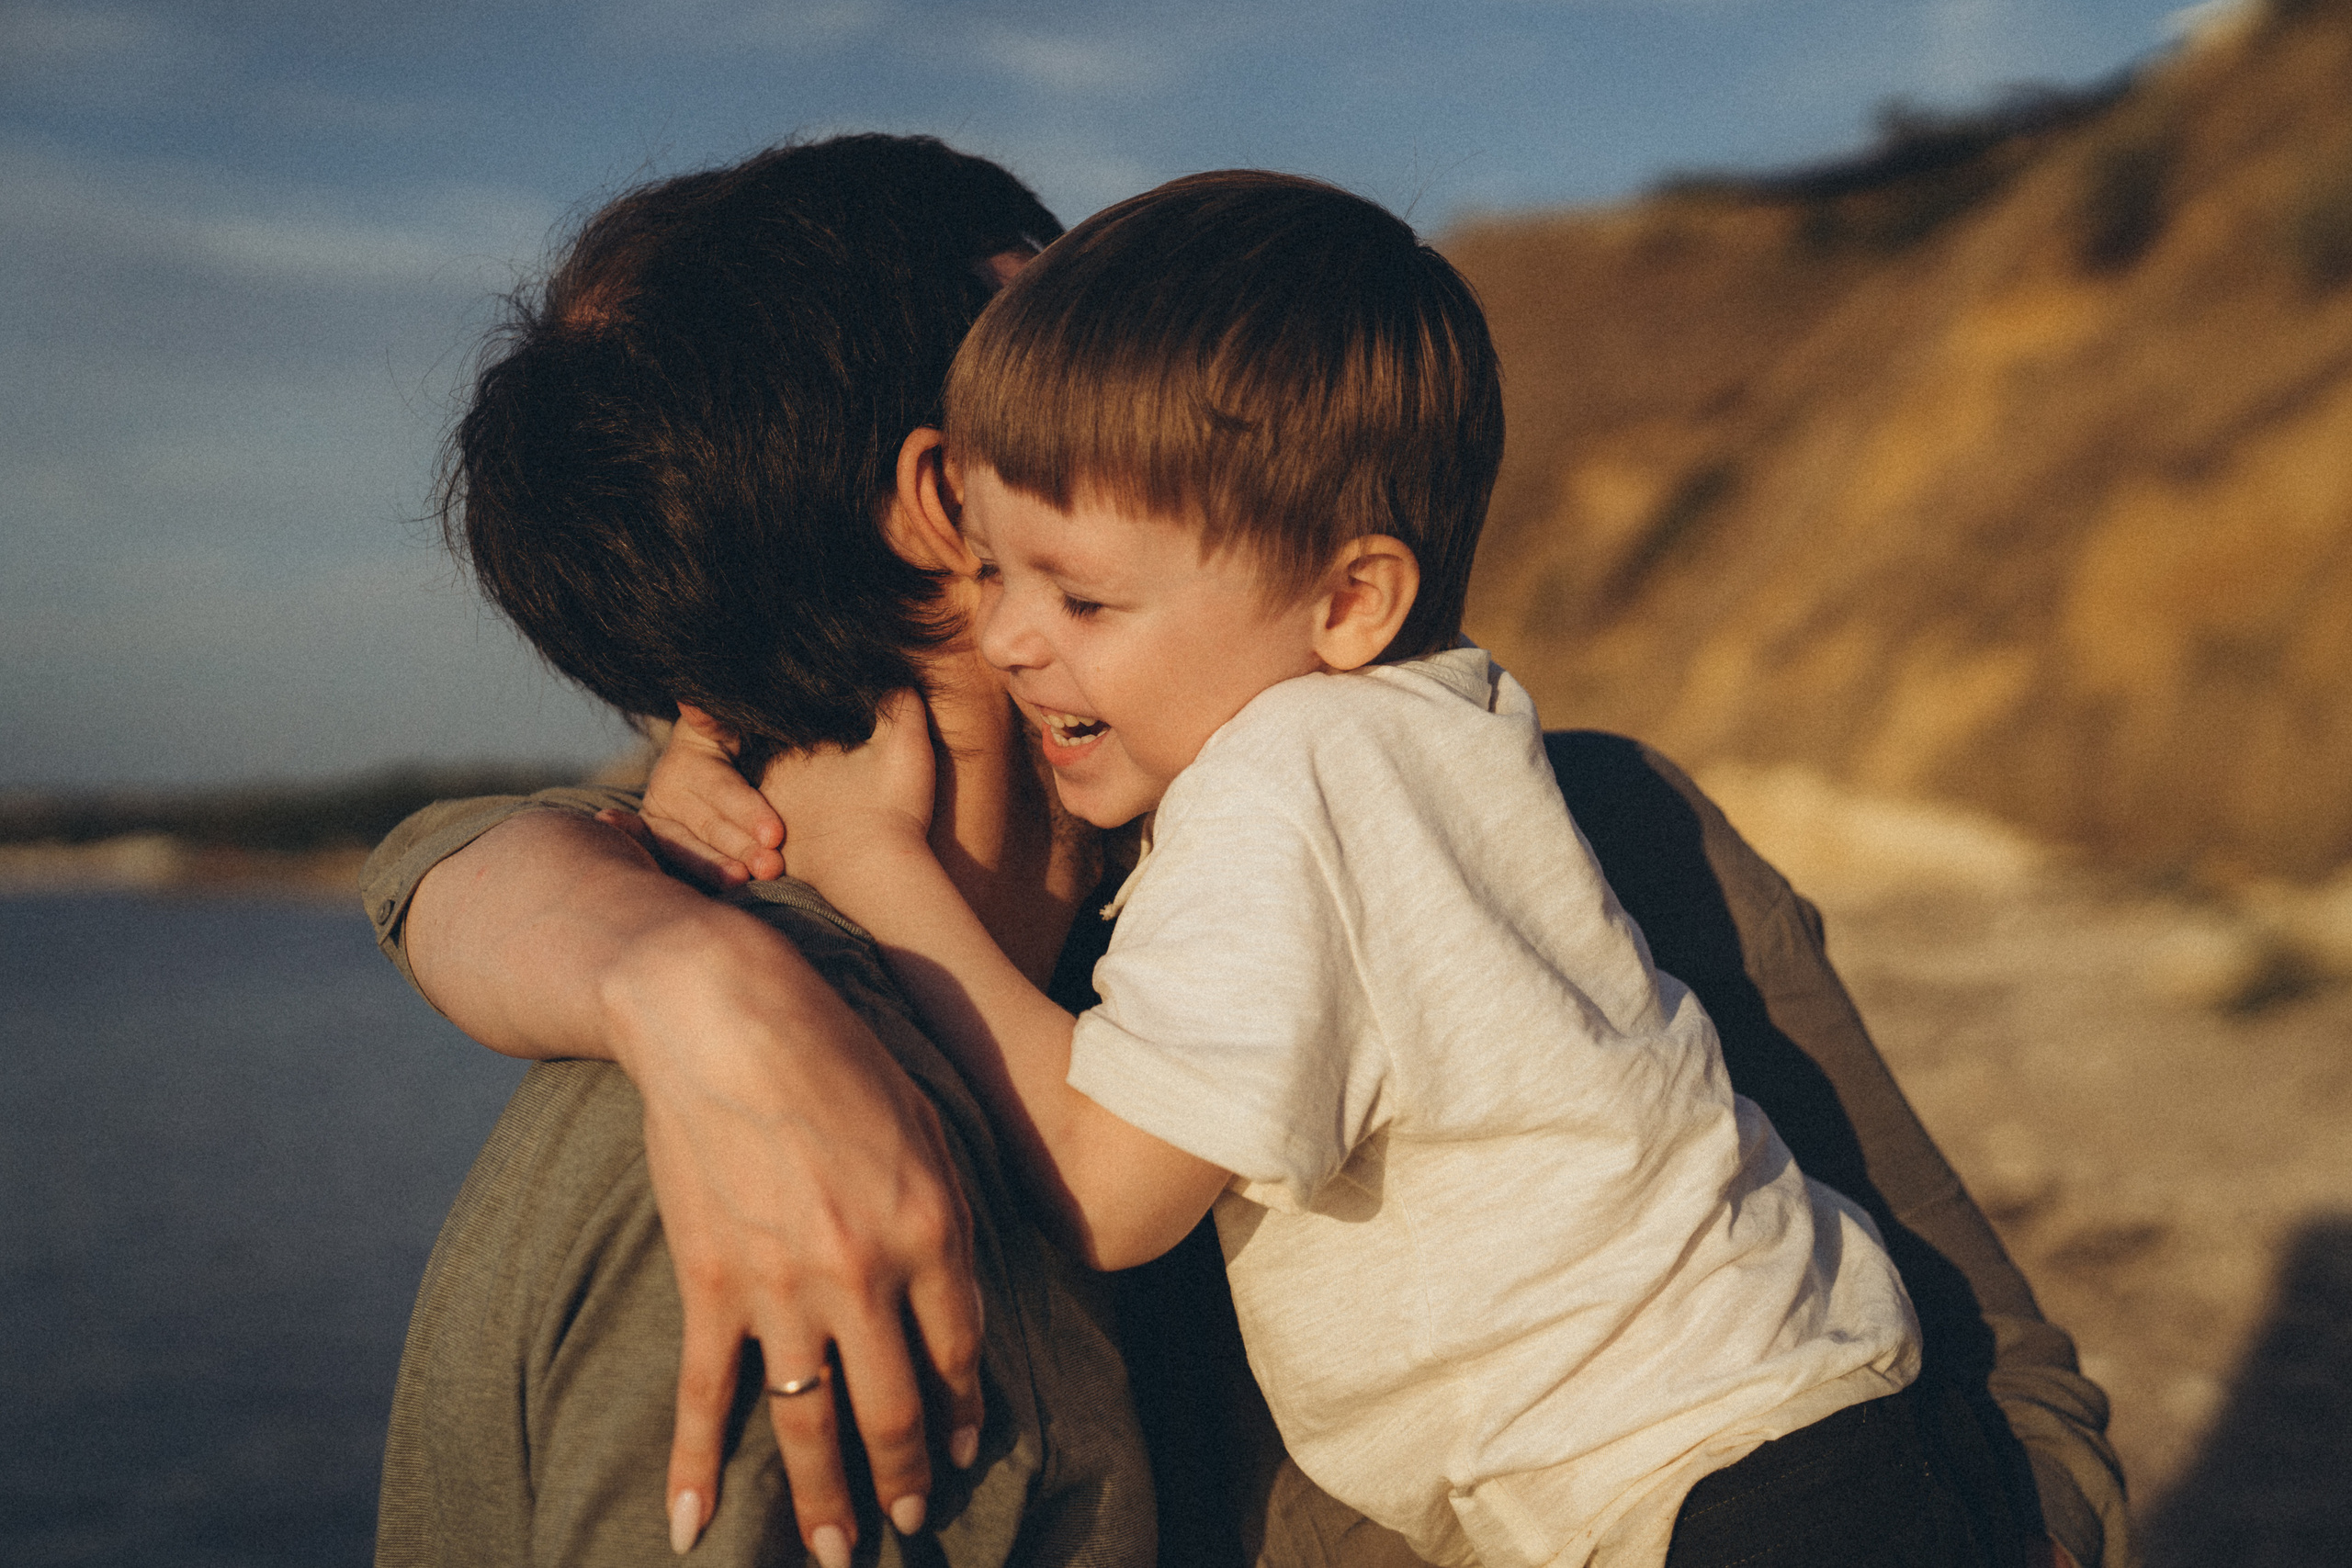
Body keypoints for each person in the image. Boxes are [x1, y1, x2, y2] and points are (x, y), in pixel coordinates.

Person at [365, 136, 2132, 1568]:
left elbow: (2016, 1404)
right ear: (946, 501)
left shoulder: (1528, 820)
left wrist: (702, 958)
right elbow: (460, 858)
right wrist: (679, 974)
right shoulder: (758, 1155)